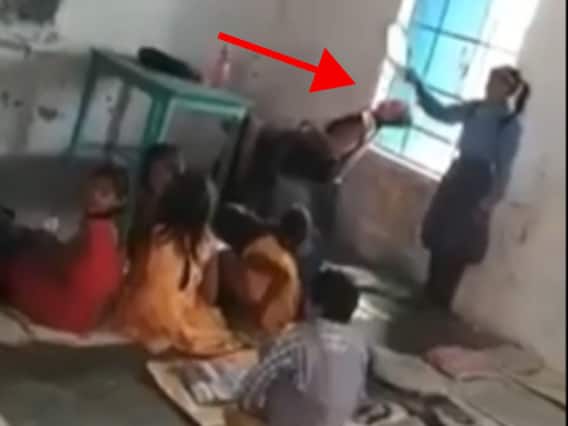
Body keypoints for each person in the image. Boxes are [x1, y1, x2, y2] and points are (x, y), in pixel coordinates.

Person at [406, 66, 531, 309]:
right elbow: (442, 113)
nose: (489, 85)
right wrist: (419, 86)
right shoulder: (474, 108)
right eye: (489, 79)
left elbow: (504, 167)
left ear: (508, 90)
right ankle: (428, 292)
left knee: (458, 245)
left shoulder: (508, 124)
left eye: (496, 82)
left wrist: (489, 201)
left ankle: (440, 301)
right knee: (438, 234)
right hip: (458, 174)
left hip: (478, 184)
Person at [115, 171, 242, 356]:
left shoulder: (154, 234)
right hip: (182, 315)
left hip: (145, 314)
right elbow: (209, 297)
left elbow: (135, 278)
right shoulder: (208, 242)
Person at [0, 164, 128, 334]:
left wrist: (44, 242)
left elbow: (61, 263)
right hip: (85, 316)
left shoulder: (94, 229)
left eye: (104, 193)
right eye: (93, 187)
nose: (94, 195)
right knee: (25, 240)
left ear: (119, 201)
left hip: (64, 311)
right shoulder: (114, 231)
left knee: (16, 254)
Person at [233, 268, 367, 426]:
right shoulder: (360, 346)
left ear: (315, 306)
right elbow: (358, 399)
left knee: (233, 413)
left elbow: (247, 396)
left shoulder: (296, 340)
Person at [215, 204, 315, 334]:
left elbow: (283, 275)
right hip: (279, 321)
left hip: (268, 320)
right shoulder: (274, 248)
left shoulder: (267, 249)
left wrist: (260, 309)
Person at [128, 144, 184, 258]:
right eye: (168, 168)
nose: (168, 177)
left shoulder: (180, 208)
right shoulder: (137, 201)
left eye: (174, 170)